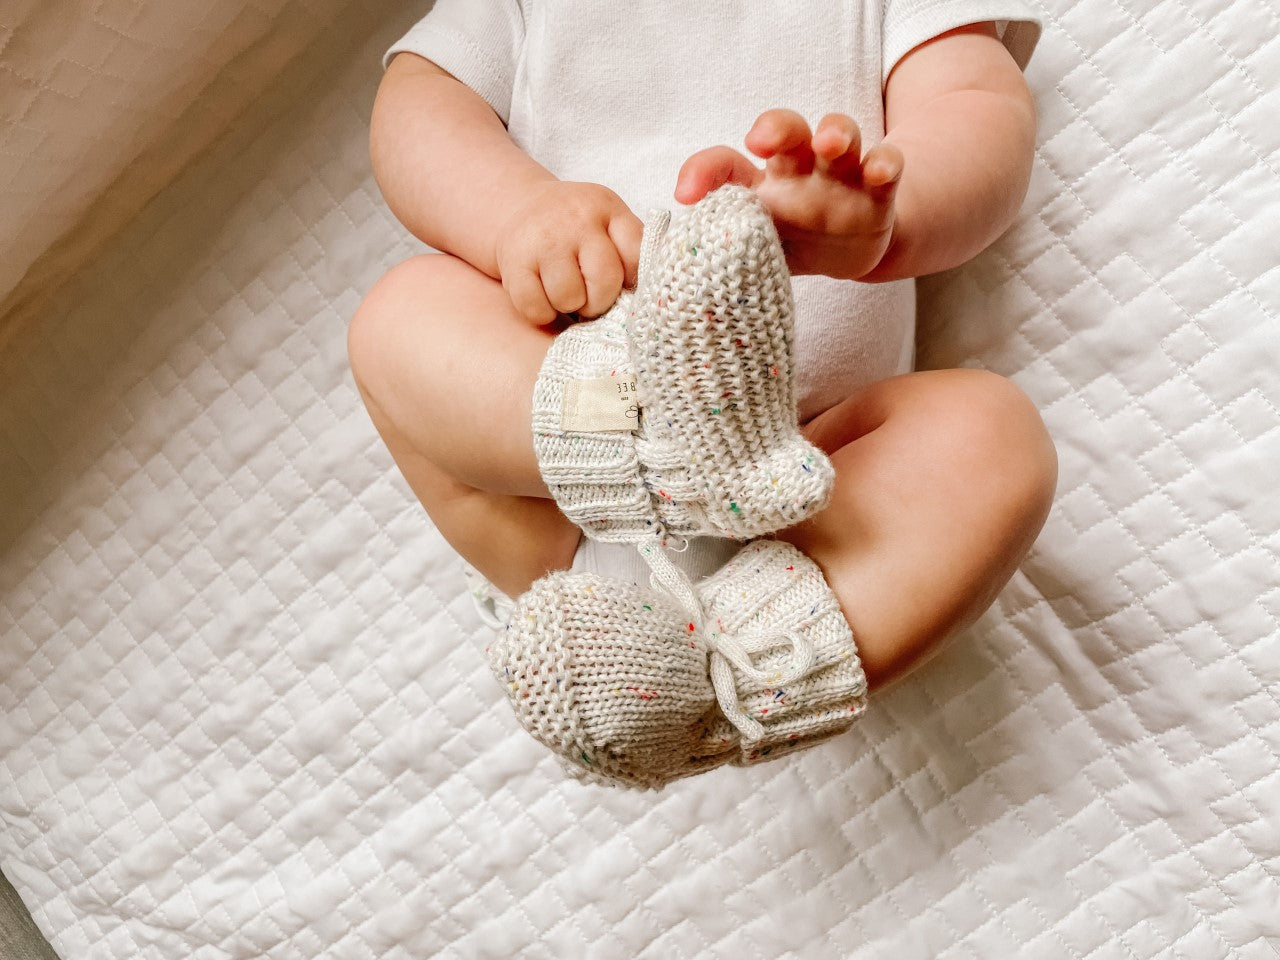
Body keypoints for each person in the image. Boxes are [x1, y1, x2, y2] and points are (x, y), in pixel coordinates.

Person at [346, 3, 1058, 787]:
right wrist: (514, 211)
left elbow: (977, 111)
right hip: (562, 489)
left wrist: (888, 218)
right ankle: (671, 442)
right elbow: (419, 108)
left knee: (993, 436)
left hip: (821, 490)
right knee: (399, 318)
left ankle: (720, 696)